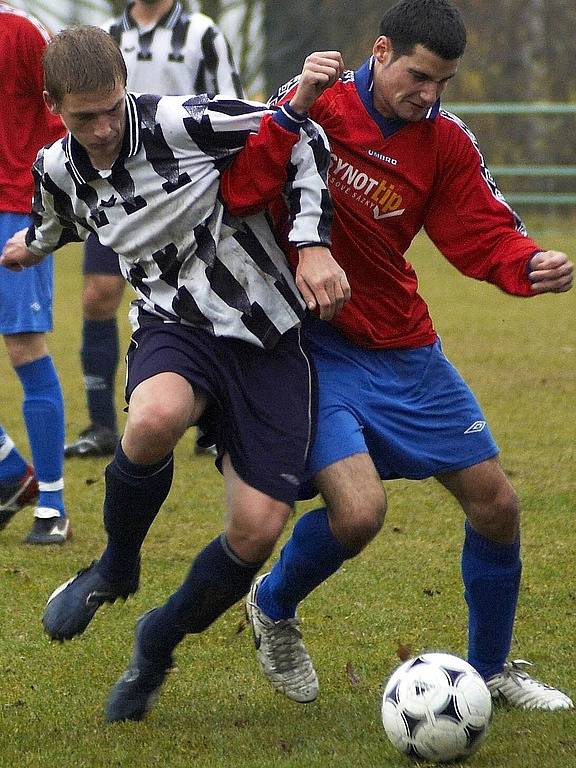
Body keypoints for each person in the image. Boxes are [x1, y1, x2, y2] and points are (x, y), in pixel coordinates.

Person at [232, 0, 575, 710]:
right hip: (311, 346)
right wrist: (295, 106)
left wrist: (529, 260)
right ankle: (271, 604)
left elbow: (481, 226)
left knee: (497, 504)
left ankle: (489, 672)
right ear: (382, 52)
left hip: (403, 348)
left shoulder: (443, 140)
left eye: (443, 82)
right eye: (419, 76)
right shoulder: (315, 105)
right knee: (359, 514)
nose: (430, 95)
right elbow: (248, 182)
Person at [1, 26, 348, 721]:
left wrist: (310, 244)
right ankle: (115, 566)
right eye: (83, 117)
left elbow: (300, 135)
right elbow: (63, 217)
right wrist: (32, 247)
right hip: (174, 326)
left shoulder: (186, 121)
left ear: (126, 89)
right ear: (52, 106)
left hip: (265, 335)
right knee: (154, 417)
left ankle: (157, 641)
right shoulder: (55, 166)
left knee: (256, 531)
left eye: (111, 109)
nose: (101, 129)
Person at [64, 0, 244, 458]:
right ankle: (102, 425)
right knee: (98, 294)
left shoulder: (203, 33)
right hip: (118, 196)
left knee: (205, 298)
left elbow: (230, 108)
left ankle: (214, 421)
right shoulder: (103, 36)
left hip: (187, 200)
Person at [0, 2, 70, 545]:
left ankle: (52, 504)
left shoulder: (22, 32)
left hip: (14, 210)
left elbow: (64, 113)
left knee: (25, 348)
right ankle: (8, 473)